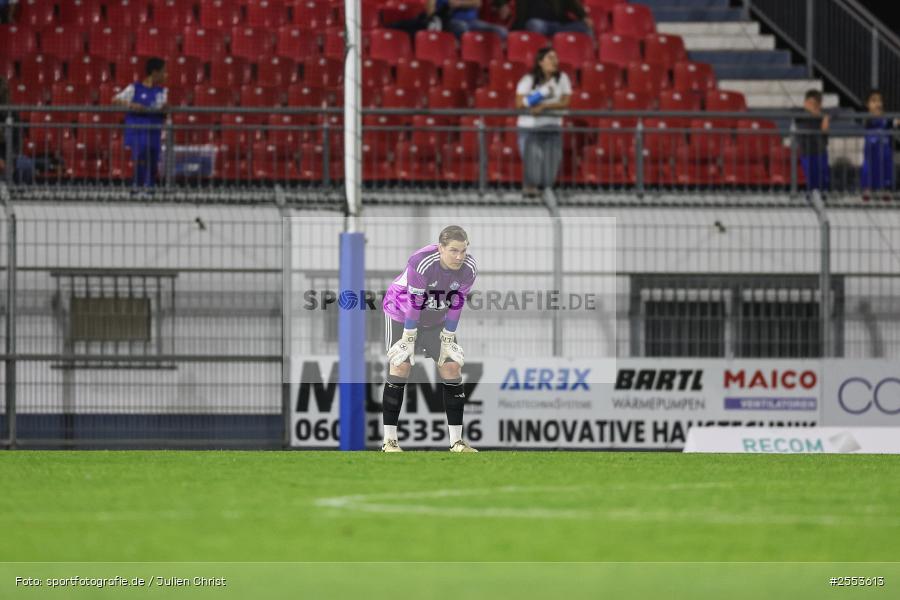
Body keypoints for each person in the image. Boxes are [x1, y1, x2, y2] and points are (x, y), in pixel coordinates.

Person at [381, 225, 478, 453]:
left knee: (452, 367)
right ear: (440, 248)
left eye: (463, 251)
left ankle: (457, 442)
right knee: (400, 366)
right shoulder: (422, 261)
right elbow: (413, 303)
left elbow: (456, 303)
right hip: (401, 315)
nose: (459, 256)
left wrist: (448, 336)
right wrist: (408, 337)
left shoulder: (469, 268)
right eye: (454, 250)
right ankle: (390, 441)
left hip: (435, 319)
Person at [514, 47, 572, 197]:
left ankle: (546, 191)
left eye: (556, 58)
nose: (555, 61)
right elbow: (520, 103)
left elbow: (565, 101)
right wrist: (540, 95)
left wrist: (545, 106)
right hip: (529, 128)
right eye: (550, 58)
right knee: (533, 163)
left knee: (551, 163)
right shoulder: (529, 79)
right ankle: (530, 191)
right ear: (540, 62)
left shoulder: (562, 78)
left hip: (552, 126)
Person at [113, 57, 167, 190]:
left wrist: (165, 108)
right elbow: (115, 99)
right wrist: (131, 104)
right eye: (163, 71)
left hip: (154, 131)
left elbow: (163, 108)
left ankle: (150, 188)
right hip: (138, 131)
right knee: (141, 158)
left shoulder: (162, 91)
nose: (166, 75)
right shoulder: (134, 88)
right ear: (155, 73)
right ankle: (136, 187)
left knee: (153, 160)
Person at [390, 0, 507, 40]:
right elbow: (430, 7)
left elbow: (477, 3)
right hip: (450, 20)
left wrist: (459, 3)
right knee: (461, 27)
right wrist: (433, 18)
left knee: (501, 31)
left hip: (472, 21)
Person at [860, 89, 897, 193]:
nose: (877, 104)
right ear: (867, 104)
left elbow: (895, 122)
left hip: (885, 155)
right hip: (871, 156)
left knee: (886, 179)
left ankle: (886, 194)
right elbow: (867, 123)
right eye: (874, 101)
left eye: (879, 100)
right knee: (869, 176)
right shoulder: (865, 118)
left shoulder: (887, 119)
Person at [0, 76, 34, 184]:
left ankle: (20, 194)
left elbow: (17, 142)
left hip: (8, 156)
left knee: (26, 164)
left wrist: (10, 160)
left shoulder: (12, 112)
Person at [796, 89, 830, 192]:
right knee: (810, 177)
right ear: (805, 103)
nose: (812, 106)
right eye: (810, 103)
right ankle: (810, 197)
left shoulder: (822, 116)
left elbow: (825, 131)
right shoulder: (800, 115)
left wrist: (824, 119)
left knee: (823, 176)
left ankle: (824, 195)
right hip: (806, 152)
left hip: (820, 151)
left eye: (816, 104)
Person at [512, 0, 592, 37]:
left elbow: (572, 3)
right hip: (540, 24)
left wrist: (583, 16)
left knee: (584, 27)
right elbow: (521, 11)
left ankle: (590, 58)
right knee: (534, 25)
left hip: (560, 25)